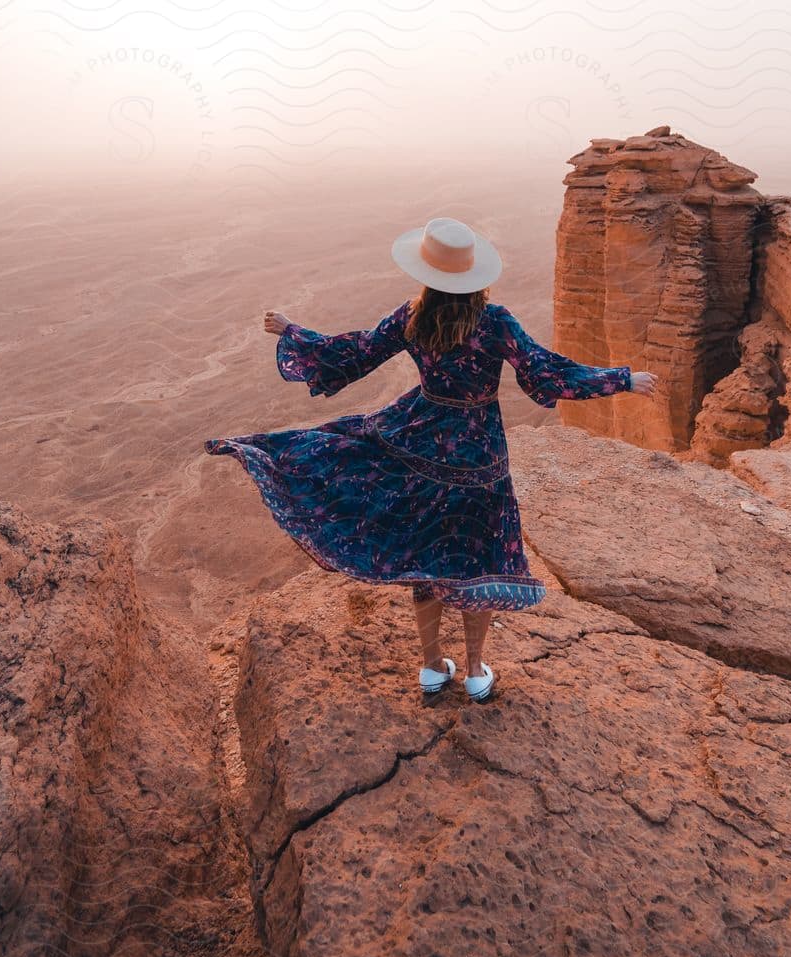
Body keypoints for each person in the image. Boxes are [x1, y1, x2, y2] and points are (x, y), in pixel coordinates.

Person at [204, 216, 655, 705]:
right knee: (475, 558)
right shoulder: (495, 321)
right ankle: (477, 670)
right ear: (474, 275)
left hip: (418, 439)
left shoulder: (412, 316)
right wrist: (622, 379)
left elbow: (354, 352)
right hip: (479, 452)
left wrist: (294, 331)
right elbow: (545, 372)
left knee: (428, 554)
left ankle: (430, 665)